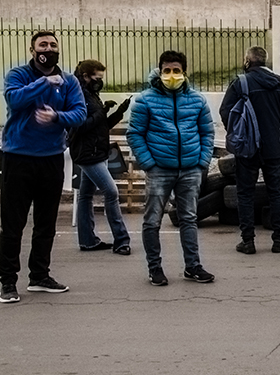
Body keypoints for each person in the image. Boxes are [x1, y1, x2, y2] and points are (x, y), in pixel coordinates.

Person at [0, 31, 86, 304]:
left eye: (53, 45)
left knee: (46, 223)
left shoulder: (69, 81)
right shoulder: (18, 74)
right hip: (17, 157)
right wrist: (44, 83)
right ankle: (7, 282)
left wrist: (56, 116)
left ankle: (39, 276)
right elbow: (15, 100)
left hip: (51, 159)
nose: (48, 49)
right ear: (33, 49)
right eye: (43, 45)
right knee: (13, 224)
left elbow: (80, 113)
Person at [127, 50, 216, 287]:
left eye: (176, 70)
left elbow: (207, 132)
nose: (172, 75)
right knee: (152, 220)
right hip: (159, 171)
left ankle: (193, 266)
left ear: (184, 72)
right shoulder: (145, 100)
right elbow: (135, 134)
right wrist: (149, 164)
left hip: (190, 170)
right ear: (160, 71)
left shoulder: (197, 100)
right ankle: (155, 269)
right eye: (167, 70)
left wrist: (201, 162)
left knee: (189, 219)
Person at [220, 46, 280, 255]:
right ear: (265, 61)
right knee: (277, 192)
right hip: (275, 147)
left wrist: (237, 133)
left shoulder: (240, 83)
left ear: (247, 61)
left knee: (245, 193)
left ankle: (248, 241)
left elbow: (225, 110)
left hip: (248, 147)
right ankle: (279, 239)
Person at [70, 59, 132, 255]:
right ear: (86, 76)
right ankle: (121, 240)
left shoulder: (91, 94)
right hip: (87, 154)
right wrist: (102, 112)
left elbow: (100, 126)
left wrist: (118, 112)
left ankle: (87, 241)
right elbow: (77, 127)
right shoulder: (76, 96)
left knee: (85, 196)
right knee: (111, 192)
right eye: (98, 78)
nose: (100, 82)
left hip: (97, 151)